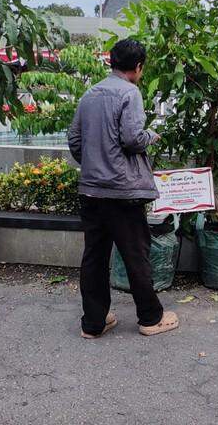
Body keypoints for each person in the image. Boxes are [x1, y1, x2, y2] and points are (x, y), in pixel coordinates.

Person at [68, 38, 179, 338]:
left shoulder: (89, 94)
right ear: (139, 67)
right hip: (122, 192)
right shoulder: (130, 93)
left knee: (94, 255)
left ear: (111, 61)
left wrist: (93, 163)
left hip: (91, 190)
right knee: (135, 254)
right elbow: (132, 138)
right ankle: (151, 318)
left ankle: (93, 323)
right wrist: (151, 136)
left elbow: (74, 140)